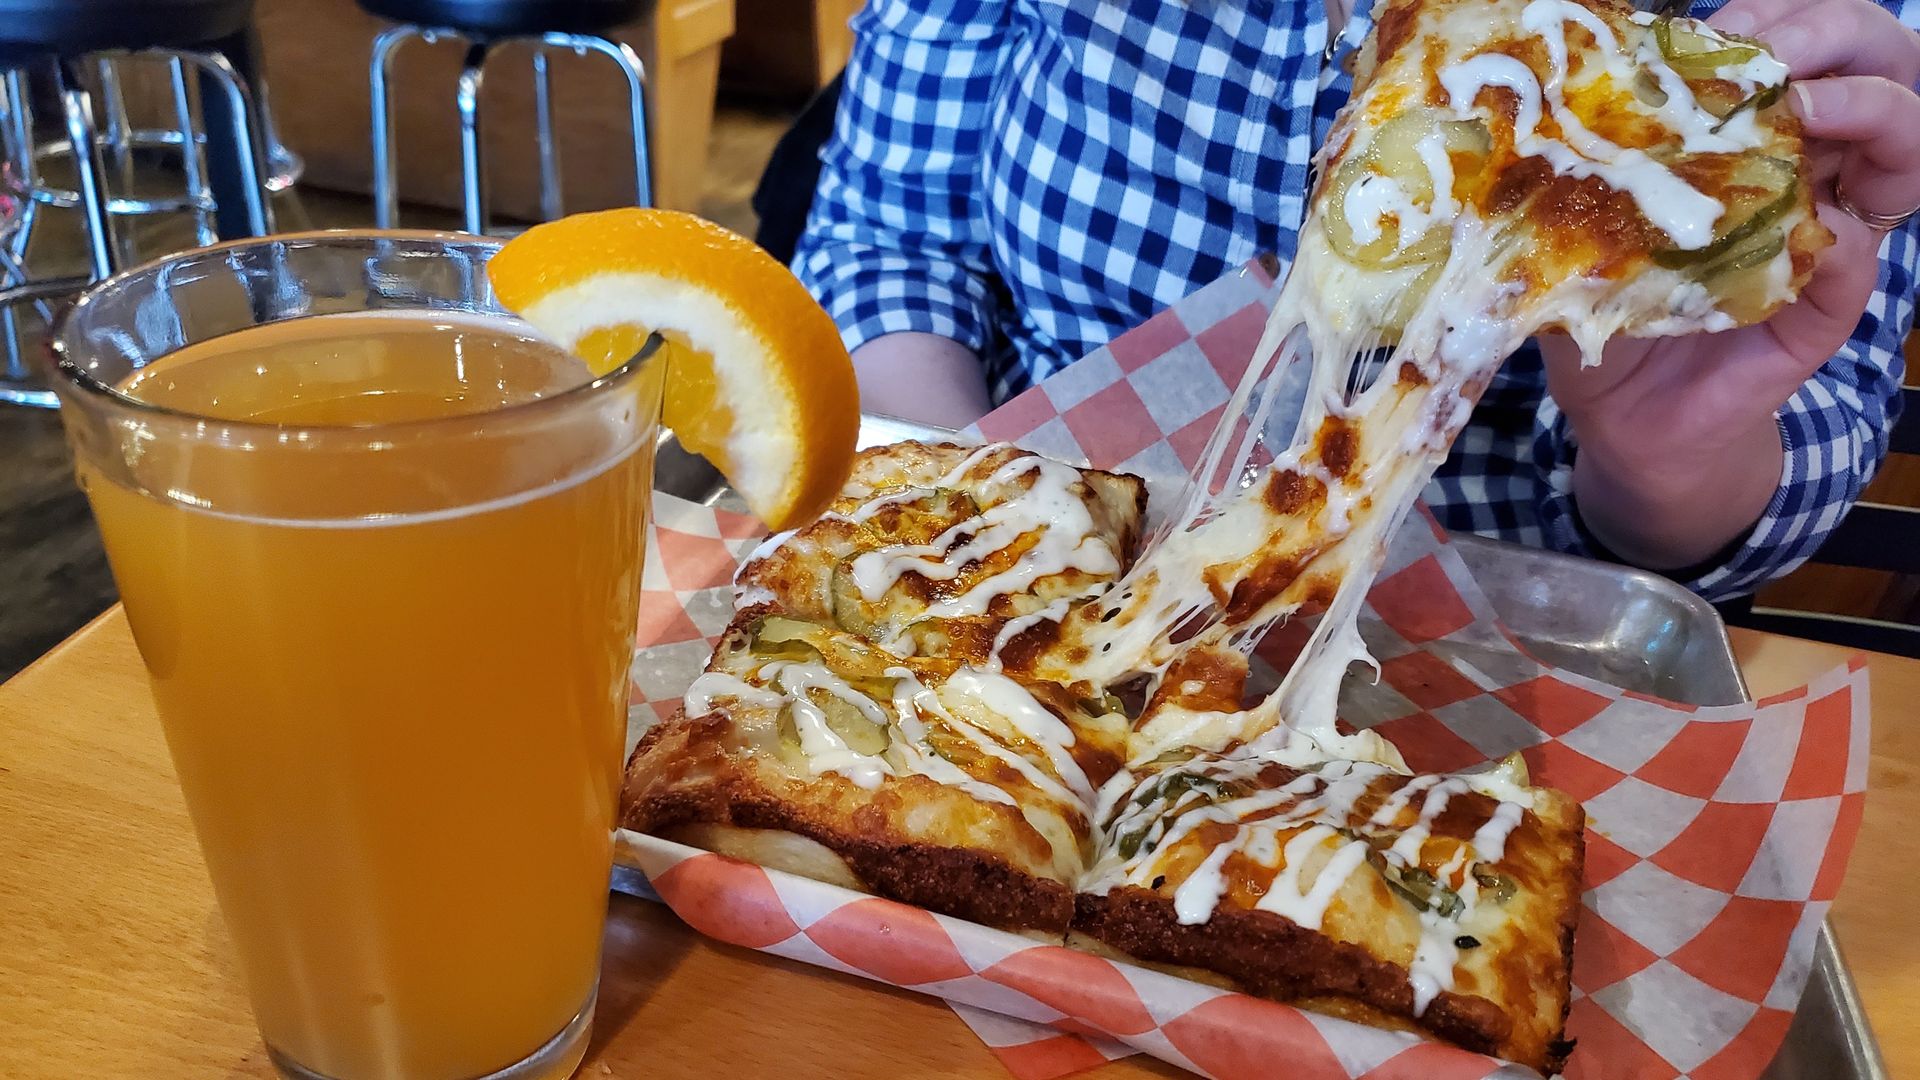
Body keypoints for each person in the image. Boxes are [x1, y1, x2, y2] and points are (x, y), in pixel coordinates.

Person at [789, 0, 1920, 600]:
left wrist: (1658, 454)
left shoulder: (1799, 57)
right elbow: (893, 231)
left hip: (1511, 668)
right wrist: (960, 550)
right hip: (1018, 555)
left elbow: (1799, 456)